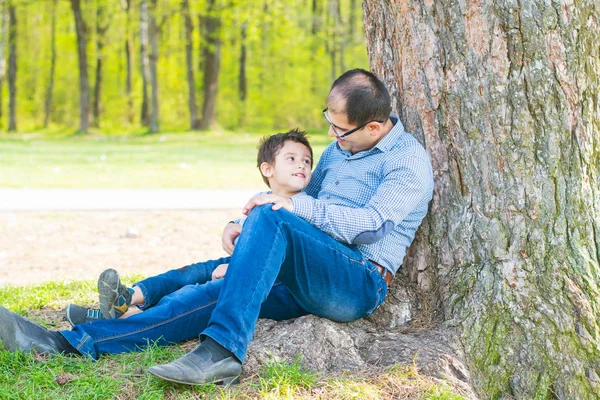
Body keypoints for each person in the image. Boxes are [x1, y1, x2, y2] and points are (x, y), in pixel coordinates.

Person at [0, 69, 434, 388]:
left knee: (271, 220)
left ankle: (223, 351)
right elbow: (298, 205)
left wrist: (280, 211)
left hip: (357, 280)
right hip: (305, 271)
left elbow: (372, 226)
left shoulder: (407, 162)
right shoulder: (339, 152)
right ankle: (67, 343)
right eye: (329, 121)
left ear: (373, 126)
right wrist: (243, 232)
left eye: (339, 129)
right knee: (202, 294)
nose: (331, 135)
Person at [63, 128, 314, 326]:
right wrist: (233, 228)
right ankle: (127, 297)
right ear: (267, 168)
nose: (301, 165)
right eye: (291, 159)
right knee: (187, 274)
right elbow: (245, 227)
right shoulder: (262, 197)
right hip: (234, 264)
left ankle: (125, 319)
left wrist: (238, 268)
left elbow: (286, 254)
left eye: (306, 161)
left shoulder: (301, 207)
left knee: (192, 293)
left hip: (260, 277)